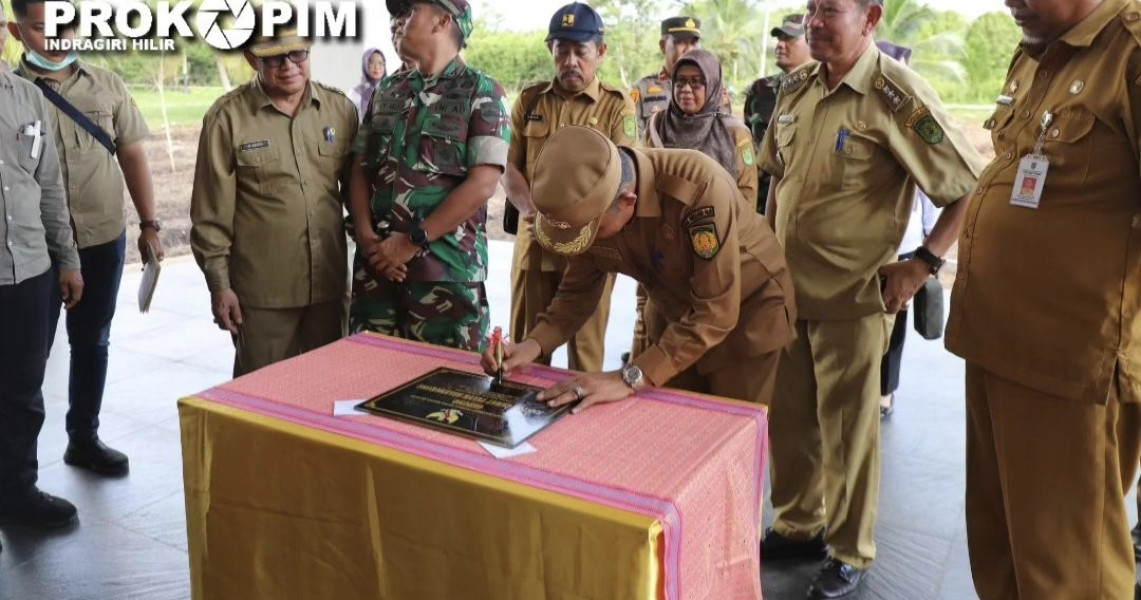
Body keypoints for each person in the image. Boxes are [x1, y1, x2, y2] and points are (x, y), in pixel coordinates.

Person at [756, 0, 985, 597]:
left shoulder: (896, 94)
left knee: (849, 432)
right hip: (787, 295)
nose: (814, 22)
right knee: (790, 422)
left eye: (830, 10)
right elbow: (776, 179)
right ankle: (798, 522)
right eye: (810, 9)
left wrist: (924, 264)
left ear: (871, 17)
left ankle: (849, 549)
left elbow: (964, 188)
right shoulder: (798, 86)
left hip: (856, 298)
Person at [943, 0, 1141, 597]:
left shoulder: (1129, 50)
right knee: (1000, 545)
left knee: (1067, 570)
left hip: (1068, 363)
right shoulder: (1034, 54)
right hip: (995, 340)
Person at [481, 125, 794, 414]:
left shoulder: (696, 188)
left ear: (627, 201)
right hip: (675, 311)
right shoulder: (590, 198)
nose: (584, 242)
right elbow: (577, 294)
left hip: (748, 314)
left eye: (592, 232)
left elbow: (716, 312)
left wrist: (627, 377)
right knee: (666, 426)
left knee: (724, 432)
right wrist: (529, 346)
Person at [10, 0, 162, 476]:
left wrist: (149, 224)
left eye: (65, 26)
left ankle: (84, 438)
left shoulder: (107, 84)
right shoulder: (10, 93)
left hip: (101, 237)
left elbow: (132, 156)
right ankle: (20, 472)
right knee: (26, 358)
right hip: (34, 250)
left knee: (93, 340)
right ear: (16, 31)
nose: (55, 39)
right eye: (40, 29)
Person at [190, 30, 358, 377]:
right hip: (263, 295)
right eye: (274, 57)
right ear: (253, 60)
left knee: (326, 391)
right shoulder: (227, 118)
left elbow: (358, 196)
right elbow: (210, 216)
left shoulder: (340, 110)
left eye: (297, 54)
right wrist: (220, 286)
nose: (288, 66)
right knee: (263, 397)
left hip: (328, 287)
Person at [349, 0, 510, 352]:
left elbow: (482, 184)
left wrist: (410, 242)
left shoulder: (481, 92)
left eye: (410, 12)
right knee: (366, 376)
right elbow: (360, 168)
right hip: (377, 271)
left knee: (447, 391)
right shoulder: (388, 89)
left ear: (442, 20)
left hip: (445, 277)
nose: (400, 21)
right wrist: (365, 237)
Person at [505, 1, 635, 373]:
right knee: (525, 354)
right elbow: (510, 168)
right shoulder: (530, 100)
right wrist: (530, 209)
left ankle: (580, 428)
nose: (571, 62)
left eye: (581, 52)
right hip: (534, 243)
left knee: (585, 356)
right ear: (551, 51)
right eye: (562, 51)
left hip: (591, 246)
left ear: (601, 52)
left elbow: (624, 175)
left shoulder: (616, 107)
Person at [0, 66, 84, 528]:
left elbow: (49, 184)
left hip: (31, 270)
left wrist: (67, 257)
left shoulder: (29, 97)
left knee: (23, 392)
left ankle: (17, 494)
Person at [646, 48, 756, 204]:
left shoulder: (734, 131)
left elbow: (747, 193)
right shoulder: (657, 124)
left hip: (717, 223)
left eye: (696, 82)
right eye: (680, 81)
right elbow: (645, 179)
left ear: (712, 85)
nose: (686, 89)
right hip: (663, 223)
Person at [743, 13, 812, 213]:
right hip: (758, 203)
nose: (780, 44)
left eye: (789, 38)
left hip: (800, 206)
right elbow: (745, 146)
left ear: (810, 41)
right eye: (779, 38)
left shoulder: (824, 91)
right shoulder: (760, 89)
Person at [630, 16, 701, 139]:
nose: (689, 49)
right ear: (663, 46)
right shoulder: (641, 89)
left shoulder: (709, 88)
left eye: (693, 43)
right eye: (680, 42)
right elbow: (633, 139)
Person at [349, 48, 386, 121]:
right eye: (372, 62)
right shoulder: (356, 93)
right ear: (365, 65)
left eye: (380, 63)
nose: (377, 67)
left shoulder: (391, 90)